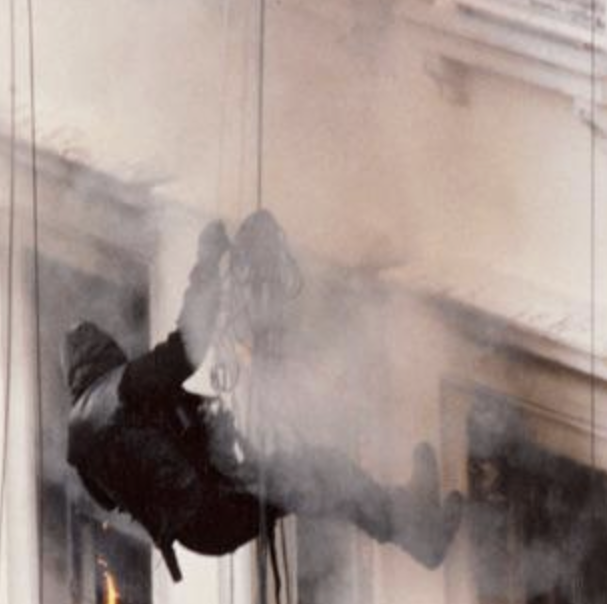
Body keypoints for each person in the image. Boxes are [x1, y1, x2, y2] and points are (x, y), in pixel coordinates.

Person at [63, 211, 463, 583]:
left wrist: (194, 434)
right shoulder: (116, 393)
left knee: (318, 475)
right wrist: (206, 266)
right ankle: (420, 535)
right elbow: (185, 350)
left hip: (202, 528)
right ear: (106, 358)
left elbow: (141, 477)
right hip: (217, 507)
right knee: (326, 473)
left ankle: (412, 514)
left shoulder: (85, 451)